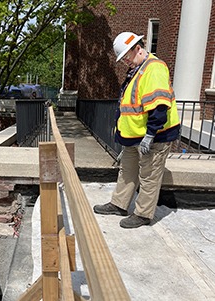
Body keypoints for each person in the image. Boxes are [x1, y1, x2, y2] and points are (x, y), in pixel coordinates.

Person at [93, 32, 180, 228]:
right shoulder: (138, 69)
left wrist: (150, 134)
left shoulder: (154, 68)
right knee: (127, 171)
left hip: (154, 136)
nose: (126, 61)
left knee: (149, 175)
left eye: (127, 56)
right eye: (123, 58)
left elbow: (159, 104)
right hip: (134, 137)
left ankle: (143, 214)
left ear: (138, 48)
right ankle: (119, 204)